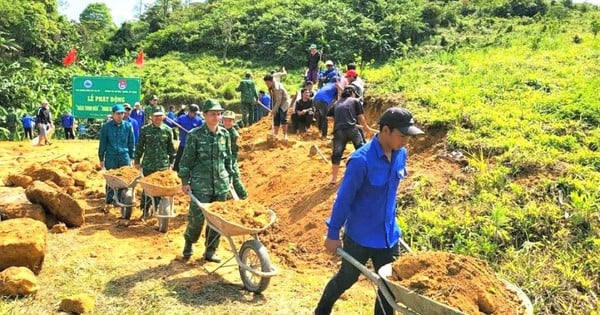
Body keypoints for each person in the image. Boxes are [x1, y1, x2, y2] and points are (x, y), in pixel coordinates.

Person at [314, 107, 425, 315]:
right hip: (360, 237)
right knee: (347, 278)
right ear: (385, 130)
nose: (406, 142)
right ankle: (321, 311)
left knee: (390, 287)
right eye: (402, 136)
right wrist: (332, 233)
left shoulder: (401, 154)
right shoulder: (360, 161)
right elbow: (344, 200)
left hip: (388, 235)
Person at [179, 99, 234, 263]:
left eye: (218, 114)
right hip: (200, 185)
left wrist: (230, 178)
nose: (216, 117)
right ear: (204, 115)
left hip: (220, 185)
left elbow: (229, 160)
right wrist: (184, 181)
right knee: (197, 219)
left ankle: (210, 250)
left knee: (217, 221)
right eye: (212, 114)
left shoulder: (225, 135)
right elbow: (186, 160)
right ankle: (189, 243)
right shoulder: (194, 135)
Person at [134, 111, 176, 220]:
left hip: (162, 166)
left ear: (163, 116)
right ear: (151, 117)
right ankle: (145, 210)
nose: (158, 118)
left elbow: (171, 149)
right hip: (148, 164)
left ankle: (157, 209)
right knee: (147, 189)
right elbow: (140, 146)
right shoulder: (145, 130)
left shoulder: (168, 130)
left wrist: (172, 162)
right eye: (155, 116)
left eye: (160, 115)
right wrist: (137, 160)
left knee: (161, 190)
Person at [327, 85, 371, 184]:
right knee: (361, 149)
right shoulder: (355, 101)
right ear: (352, 93)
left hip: (338, 131)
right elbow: (360, 116)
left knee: (336, 154)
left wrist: (339, 119)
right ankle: (367, 173)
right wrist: (366, 127)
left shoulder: (337, 103)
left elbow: (328, 117)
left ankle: (334, 179)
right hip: (351, 128)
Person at [98, 104, 135, 214]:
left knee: (124, 179)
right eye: (118, 113)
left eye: (122, 113)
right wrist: (101, 158)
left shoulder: (128, 126)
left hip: (124, 156)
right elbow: (103, 143)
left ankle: (121, 199)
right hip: (111, 156)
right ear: (113, 114)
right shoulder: (106, 127)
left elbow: (131, 142)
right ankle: (109, 201)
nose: (120, 116)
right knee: (111, 179)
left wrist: (132, 157)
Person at [221, 110, 248, 199]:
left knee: (235, 179)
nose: (227, 122)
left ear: (233, 121)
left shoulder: (234, 134)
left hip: (230, 159)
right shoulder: (220, 130)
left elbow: (233, 152)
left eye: (230, 120)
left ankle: (244, 197)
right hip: (221, 159)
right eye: (225, 120)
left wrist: (230, 164)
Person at [172, 103, 203, 172]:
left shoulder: (199, 120)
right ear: (189, 112)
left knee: (193, 162)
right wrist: (165, 119)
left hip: (194, 145)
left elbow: (202, 131)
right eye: (194, 113)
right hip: (183, 144)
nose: (195, 114)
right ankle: (175, 175)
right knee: (178, 161)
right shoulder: (182, 118)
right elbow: (172, 124)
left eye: (196, 113)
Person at [263, 74, 291, 140]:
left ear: (271, 81)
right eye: (265, 83)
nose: (266, 84)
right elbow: (272, 98)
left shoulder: (277, 87)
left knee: (282, 117)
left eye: (267, 83)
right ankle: (275, 135)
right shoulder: (270, 86)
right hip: (277, 103)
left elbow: (279, 100)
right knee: (276, 118)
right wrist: (273, 109)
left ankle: (285, 135)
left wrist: (274, 110)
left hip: (284, 103)